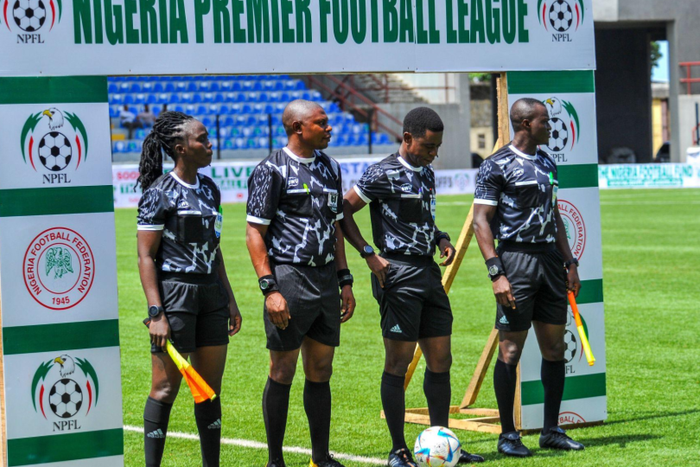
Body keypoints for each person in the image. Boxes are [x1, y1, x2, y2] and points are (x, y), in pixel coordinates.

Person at [339, 107, 484, 467]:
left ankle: (443, 443)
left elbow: (423, 219)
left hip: (427, 273)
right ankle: (398, 450)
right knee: (398, 363)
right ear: (407, 138)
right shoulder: (381, 173)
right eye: (428, 146)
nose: (433, 153)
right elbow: (342, 210)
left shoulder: (427, 174)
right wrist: (369, 254)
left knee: (441, 360)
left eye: (437, 147)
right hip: (397, 274)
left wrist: (441, 238)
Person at [245, 100, 356, 467]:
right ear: (297, 128)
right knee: (282, 369)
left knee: (321, 369)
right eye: (321, 123)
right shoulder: (271, 170)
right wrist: (269, 288)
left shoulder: (330, 166)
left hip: (325, 279)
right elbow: (254, 233)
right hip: (289, 278)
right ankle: (275, 461)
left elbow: (336, 226)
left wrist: (344, 280)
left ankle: (320, 458)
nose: (329, 128)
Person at [472, 98, 584, 457]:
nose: (550, 127)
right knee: (511, 350)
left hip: (550, 262)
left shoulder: (548, 162)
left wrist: (570, 262)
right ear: (524, 124)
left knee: (554, 348)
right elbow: (480, 221)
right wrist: (496, 273)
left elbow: (554, 217)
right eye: (543, 121)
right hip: (516, 262)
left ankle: (551, 429)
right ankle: (508, 435)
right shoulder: (496, 165)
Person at [136, 111, 242, 467]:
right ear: (181, 148)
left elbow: (214, 248)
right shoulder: (159, 193)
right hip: (175, 296)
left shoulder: (211, 189)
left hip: (211, 295)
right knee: (165, 389)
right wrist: (156, 313)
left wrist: (228, 299)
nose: (210, 144)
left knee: (209, 391)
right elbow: (145, 257)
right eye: (202, 140)